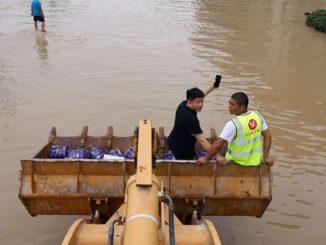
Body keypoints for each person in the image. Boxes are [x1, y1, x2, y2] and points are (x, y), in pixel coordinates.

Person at [197, 92, 274, 166]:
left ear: (242, 108)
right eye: (229, 103)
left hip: (235, 163)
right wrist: (266, 156)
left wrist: (205, 158)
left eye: (233, 105)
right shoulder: (257, 116)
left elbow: (218, 144)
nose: (229, 106)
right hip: (255, 162)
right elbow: (268, 136)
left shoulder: (233, 124)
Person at [167, 75, 222, 160]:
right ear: (190, 103)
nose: (201, 104)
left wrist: (213, 86)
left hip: (172, 141)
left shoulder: (183, 104)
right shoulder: (190, 120)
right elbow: (202, 141)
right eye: (198, 102)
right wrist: (217, 156)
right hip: (182, 151)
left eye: (202, 101)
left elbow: (202, 95)